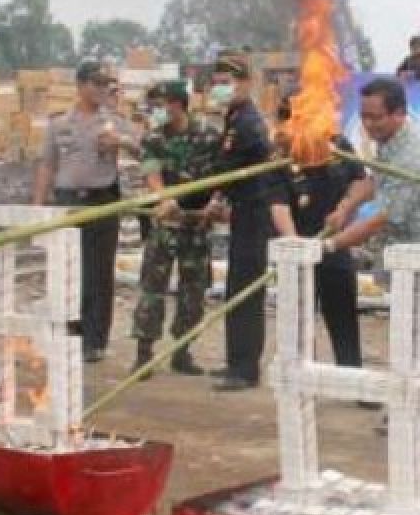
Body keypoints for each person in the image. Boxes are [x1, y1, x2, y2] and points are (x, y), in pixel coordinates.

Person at [326, 78, 420, 436]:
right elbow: (375, 181)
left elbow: (385, 216)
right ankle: (411, 406)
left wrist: (332, 245)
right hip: (403, 258)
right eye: (365, 117)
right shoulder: (389, 142)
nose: (369, 126)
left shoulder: (414, 152)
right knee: (407, 335)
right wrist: (345, 206)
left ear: (400, 113)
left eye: (377, 118)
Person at [32, 60, 140, 363]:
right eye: (95, 83)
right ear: (80, 86)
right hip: (68, 200)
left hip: (102, 199)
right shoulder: (59, 124)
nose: (101, 89)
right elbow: (47, 165)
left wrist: (122, 142)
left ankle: (95, 340)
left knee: (99, 271)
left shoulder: (113, 121)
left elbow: (144, 149)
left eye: (104, 84)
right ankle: (71, 332)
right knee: (68, 270)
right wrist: (38, 207)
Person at [268, 93, 370, 369]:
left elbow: (362, 183)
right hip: (299, 248)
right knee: (300, 322)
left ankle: (352, 378)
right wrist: (293, 242)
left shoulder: (337, 144)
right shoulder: (280, 155)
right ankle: (302, 381)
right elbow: (278, 205)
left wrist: (345, 209)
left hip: (334, 244)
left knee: (343, 317)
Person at [130, 82, 221, 377]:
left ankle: (182, 351)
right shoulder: (154, 137)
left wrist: (216, 203)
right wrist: (164, 197)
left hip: (197, 224)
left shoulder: (208, 136)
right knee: (152, 289)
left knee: (193, 292)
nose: (156, 111)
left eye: (161, 104)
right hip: (165, 224)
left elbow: (221, 175)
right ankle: (143, 355)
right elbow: (151, 172)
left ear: (178, 104)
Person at [207, 53, 275, 391]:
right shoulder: (234, 117)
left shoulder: (249, 122)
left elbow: (251, 164)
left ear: (246, 84)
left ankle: (246, 368)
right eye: (216, 84)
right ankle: (236, 361)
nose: (219, 89)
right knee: (235, 286)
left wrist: (218, 197)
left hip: (254, 213)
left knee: (246, 289)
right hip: (241, 211)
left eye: (226, 83)